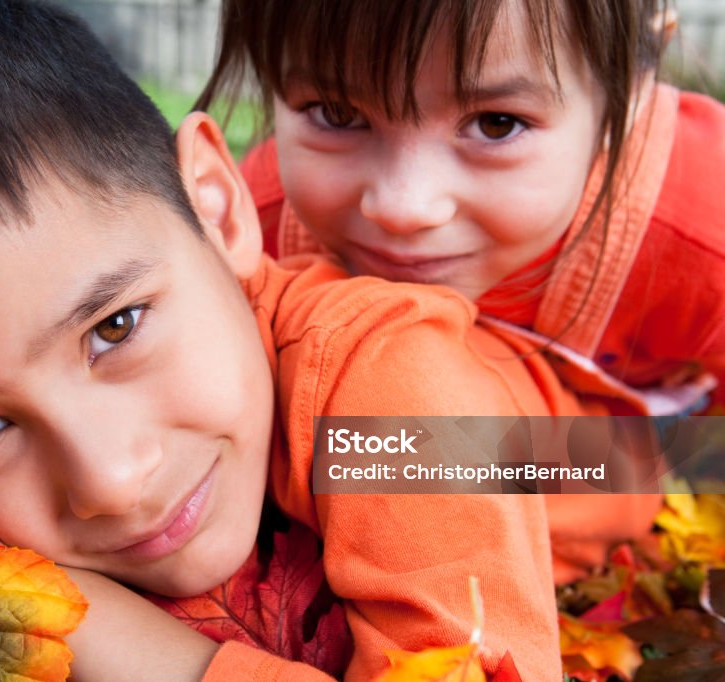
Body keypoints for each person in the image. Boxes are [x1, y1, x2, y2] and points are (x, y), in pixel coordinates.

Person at [0, 1, 596, 679]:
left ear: (214, 206)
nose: (109, 480)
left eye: (114, 328)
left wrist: (59, 613)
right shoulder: (123, 295)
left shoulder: (398, 381)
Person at [197, 0, 725, 583]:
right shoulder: (253, 224)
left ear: (632, 79)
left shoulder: (704, 219)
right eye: (337, 113)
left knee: (387, 448)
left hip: (640, 452)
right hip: (395, 440)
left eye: (497, 123)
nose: (403, 207)